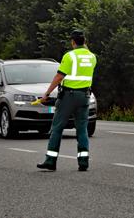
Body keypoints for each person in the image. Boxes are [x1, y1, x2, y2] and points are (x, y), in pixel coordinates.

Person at [37, 29, 97, 171]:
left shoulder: (69, 56)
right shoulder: (92, 57)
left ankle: (51, 161)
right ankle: (83, 162)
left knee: (57, 128)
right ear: (85, 41)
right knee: (82, 129)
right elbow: (85, 52)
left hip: (69, 97)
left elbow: (59, 77)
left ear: (72, 42)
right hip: (84, 97)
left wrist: (47, 93)